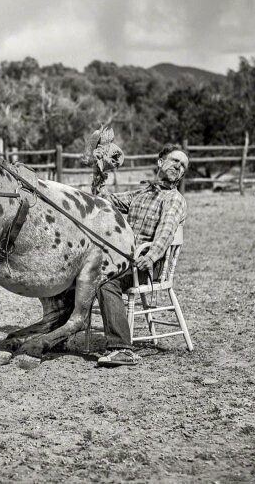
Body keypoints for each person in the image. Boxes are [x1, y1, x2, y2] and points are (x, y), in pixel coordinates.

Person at [95, 144, 189, 367]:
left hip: (148, 266)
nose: (179, 166)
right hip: (129, 261)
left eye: (183, 165)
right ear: (160, 162)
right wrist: (99, 172)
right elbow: (106, 200)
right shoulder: (144, 193)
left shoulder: (173, 200)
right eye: (175, 160)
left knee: (106, 284)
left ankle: (121, 348)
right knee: (84, 271)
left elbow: (165, 232)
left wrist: (151, 256)